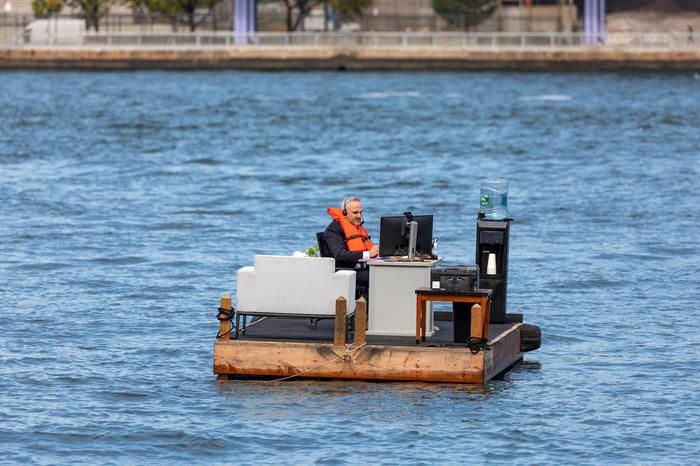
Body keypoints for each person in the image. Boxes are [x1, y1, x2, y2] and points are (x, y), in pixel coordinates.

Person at [324, 196, 378, 290]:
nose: (359, 216)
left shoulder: (357, 228)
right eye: (355, 213)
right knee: (380, 276)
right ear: (345, 213)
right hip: (346, 272)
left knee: (387, 271)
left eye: (360, 212)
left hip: (361, 269)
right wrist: (368, 254)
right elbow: (340, 255)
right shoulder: (332, 231)